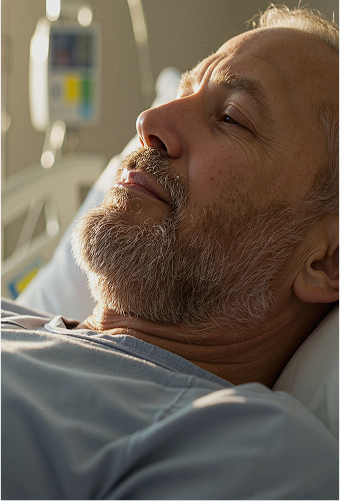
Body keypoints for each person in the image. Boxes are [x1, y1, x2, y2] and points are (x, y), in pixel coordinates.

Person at [1, 4, 339, 500]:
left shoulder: (242, 450)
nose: (148, 120)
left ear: (325, 261)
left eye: (231, 118)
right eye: (183, 91)